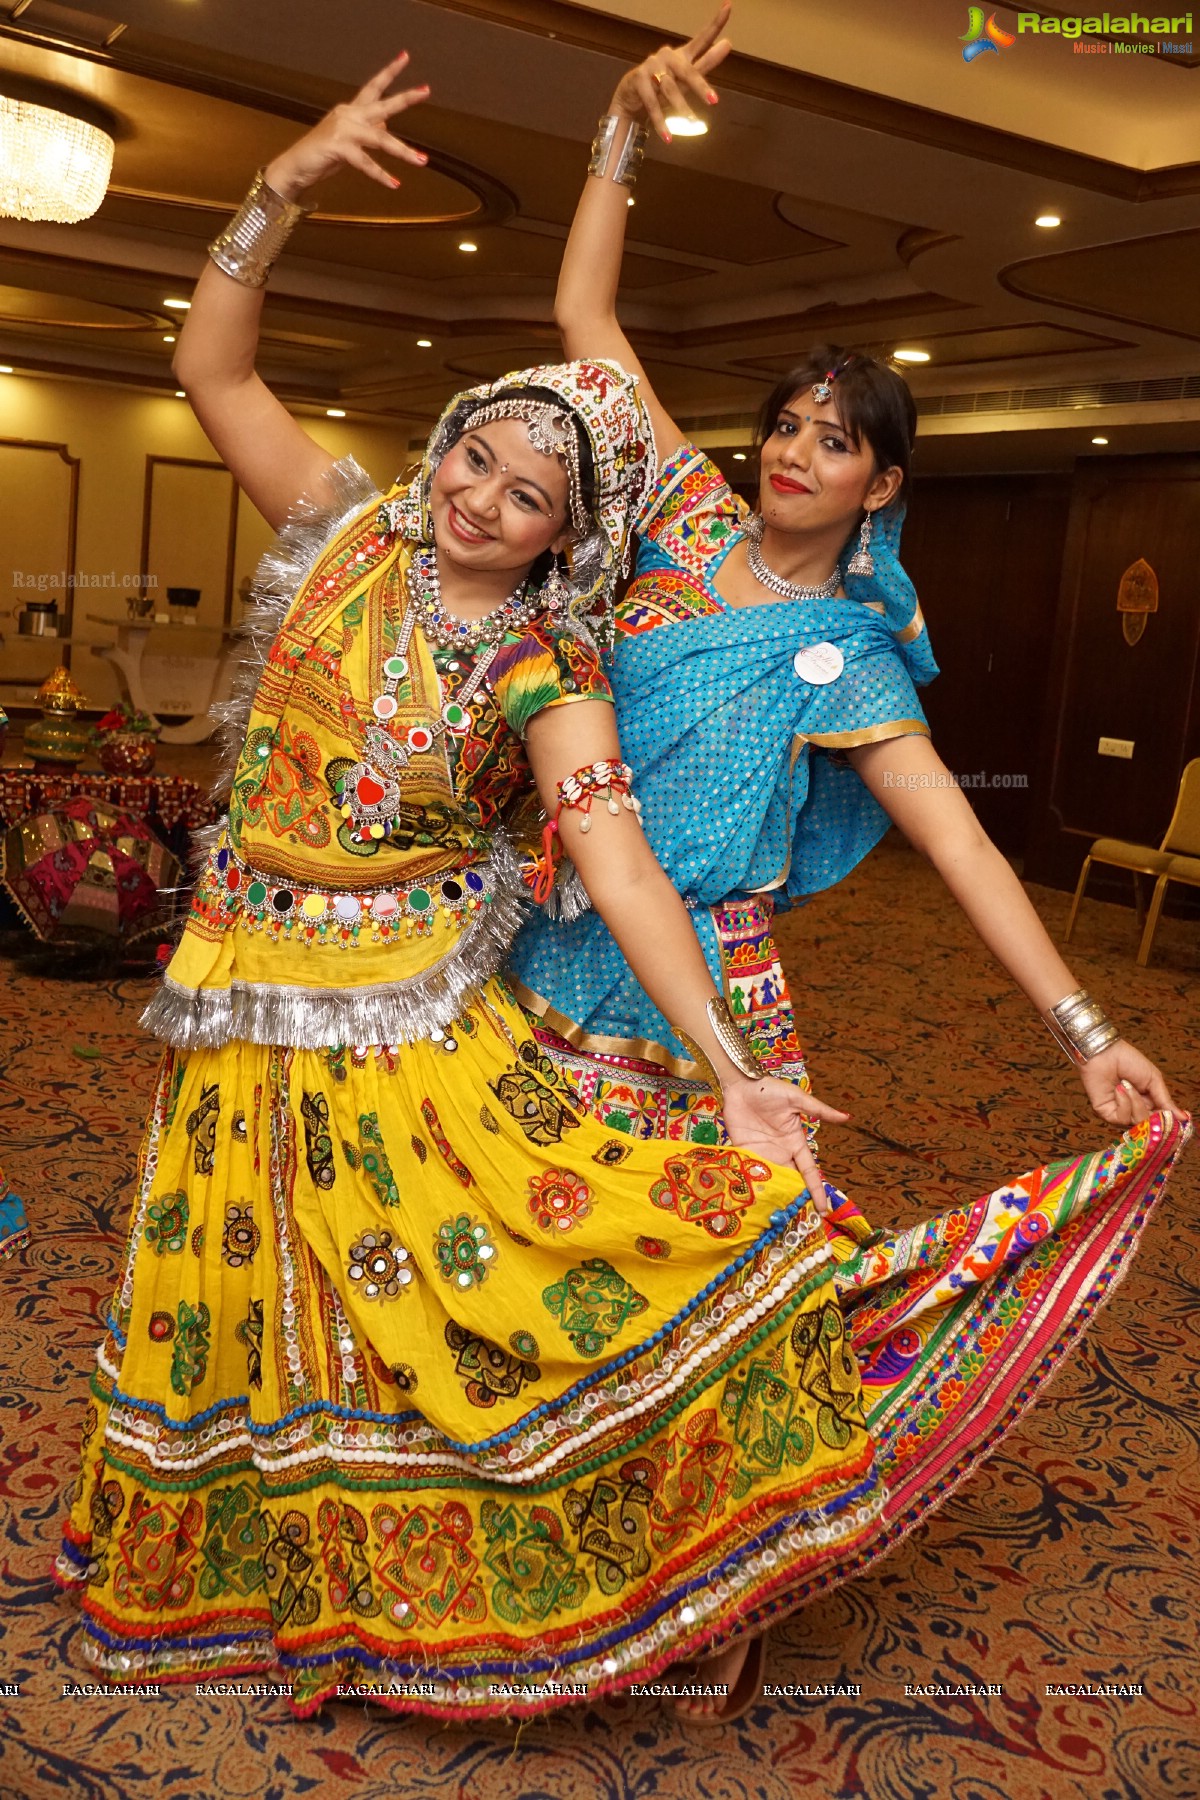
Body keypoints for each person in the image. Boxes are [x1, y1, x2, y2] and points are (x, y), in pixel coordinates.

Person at [51, 54, 903, 1725]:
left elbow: (617, 855)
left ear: (560, 539)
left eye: (531, 495)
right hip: (236, 997)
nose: (484, 497)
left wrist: (734, 1068)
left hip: (399, 1024)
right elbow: (209, 366)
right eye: (479, 457)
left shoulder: (544, 661)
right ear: (445, 442)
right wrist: (282, 187)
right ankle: (254, 1575)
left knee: (449, 1301)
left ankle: (591, 1579)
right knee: (246, 1291)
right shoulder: (341, 530)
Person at [507, 9, 1191, 1717]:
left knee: (728, 1291)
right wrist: (613, 124)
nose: (791, 446)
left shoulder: (853, 661)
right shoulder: (664, 517)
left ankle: (724, 1580)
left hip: (705, 993)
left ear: (883, 483)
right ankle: (535, 1541)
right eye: (786, 419)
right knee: (521, 1251)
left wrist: (1080, 1028)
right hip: (550, 934)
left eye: (835, 435)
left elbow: (960, 841)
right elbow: (588, 320)